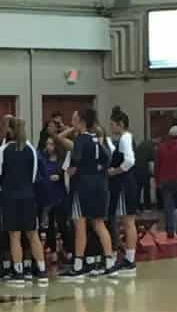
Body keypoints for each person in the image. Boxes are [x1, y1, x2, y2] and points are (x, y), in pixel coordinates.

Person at [56, 109, 117, 280]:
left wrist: (73, 169)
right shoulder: (97, 138)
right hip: (100, 186)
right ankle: (110, 263)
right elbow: (107, 159)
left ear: (81, 121)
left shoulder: (82, 139)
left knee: (80, 225)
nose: (72, 120)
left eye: (74, 118)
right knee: (99, 224)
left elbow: (75, 159)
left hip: (83, 187)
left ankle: (78, 266)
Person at [0, 118, 47, 286]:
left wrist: (7, 189)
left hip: (10, 197)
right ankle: (42, 270)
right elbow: (33, 175)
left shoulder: (3, 150)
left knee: (14, 235)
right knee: (33, 234)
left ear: (9, 130)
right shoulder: (31, 149)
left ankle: (18, 273)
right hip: (28, 196)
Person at [107, 108, 139, 275]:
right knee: (128, 221)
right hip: (127, 184)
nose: (111, 127)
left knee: (128, 222)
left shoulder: (125, 138)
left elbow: (129, 161)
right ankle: (129, 257)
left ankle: (130, 259)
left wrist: (114, 171)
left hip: (124, 184)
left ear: (120, 124)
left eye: (112, 124)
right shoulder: (124, 139)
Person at [38, 134, 71, 264]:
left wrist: (60, 177)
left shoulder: (62, 159)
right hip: (48, 194)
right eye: (47, 144)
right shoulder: (43, 158)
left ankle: (68, 249)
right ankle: (52, 250)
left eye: (51, 144)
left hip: (60, 194)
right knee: (49, 224)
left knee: (62, 223)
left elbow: (66, 174)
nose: (49, 147)